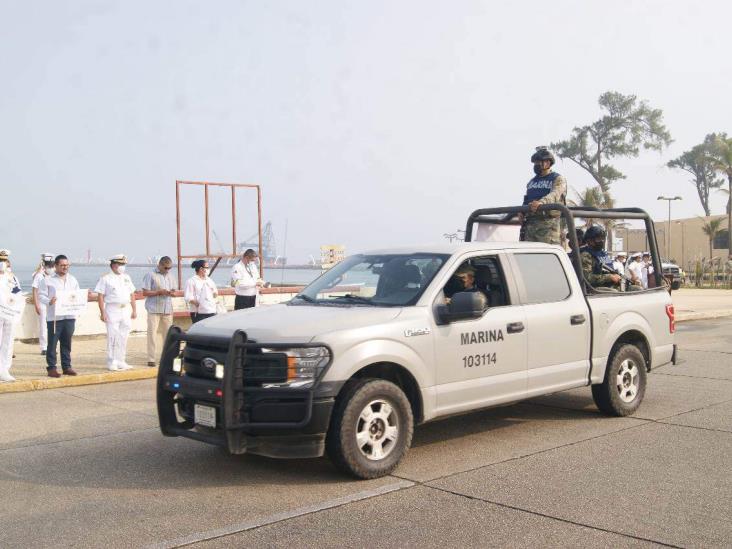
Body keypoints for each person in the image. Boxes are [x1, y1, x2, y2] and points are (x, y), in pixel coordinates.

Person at [38, 255, 81, 378]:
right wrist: (49, 301)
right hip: (55, 317)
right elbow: (40, 295)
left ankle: (67, 367)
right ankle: (51, 368)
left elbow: (77, 295)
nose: (65, 267)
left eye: (67, 265)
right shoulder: (47, 280)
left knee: (67, 342)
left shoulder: (73, 279)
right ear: (56, 266)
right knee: (52, 343)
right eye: (62, 265)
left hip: (69, 316)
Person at [95, 255, 137, 371]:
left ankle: (121, 360)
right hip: (112, 309)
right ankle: (112, 361)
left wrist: (134, 310)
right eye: (121, 264)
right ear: (114, 265)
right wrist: (102, 312)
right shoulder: (105, 278)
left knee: (124, 336)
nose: (123, 267)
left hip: (125, 309)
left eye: (124, 265)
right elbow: (100, 296)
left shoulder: (127, 277)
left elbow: (132, 294)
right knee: (113, 336)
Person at [521, 146, 567, 245]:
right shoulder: (532, 181)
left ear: (547, 162)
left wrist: (541, 203)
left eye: (538, 162)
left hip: (548, 227)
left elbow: (555, 194)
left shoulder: (557, 179)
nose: (536, 165)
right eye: (535, 163)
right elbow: (527, 198)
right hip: (530, 226)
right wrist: (521, 211)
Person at [142, 256, 176, 367]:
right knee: (152, 334)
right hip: (154, 309)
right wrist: (159, 292)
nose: (167, 270)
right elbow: (145, 292)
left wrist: (171, 293)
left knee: (167, 335)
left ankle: (166, 357)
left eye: (169, 268)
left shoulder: (171, 276)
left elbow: (174, 290)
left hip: (167, 309)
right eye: (166, 268)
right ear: (160, 265)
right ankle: (151, 358)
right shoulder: (150, 275)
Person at [0, 250, 21, 382]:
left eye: (4, 261)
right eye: (0, 261)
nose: (2, 264)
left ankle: (4, 369)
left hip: (9, 313)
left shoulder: (12, 277)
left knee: (7, 342)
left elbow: (17, 292)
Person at [580, 226, 621, 290]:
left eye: (602, 238)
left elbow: (609, 270)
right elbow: (587, 278)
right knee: (614, 292)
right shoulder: (586, 255)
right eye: (598, 239)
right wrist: (609, 277)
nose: (601, 241)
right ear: (589, 241)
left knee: (636, 288)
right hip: (593, 288)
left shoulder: (603, 254)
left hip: (608, 285)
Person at [32, 253, 55, 356]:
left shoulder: (53, 275)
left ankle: (51, 346)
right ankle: (44, 347)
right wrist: (36, 304)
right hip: (42, 302)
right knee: (43, 325)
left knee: (52, 326)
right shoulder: (39, 275)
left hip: (51, 303)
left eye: (52, 265)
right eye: (49, 265)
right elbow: (35, 290)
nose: (51, 267)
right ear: (44, 265)